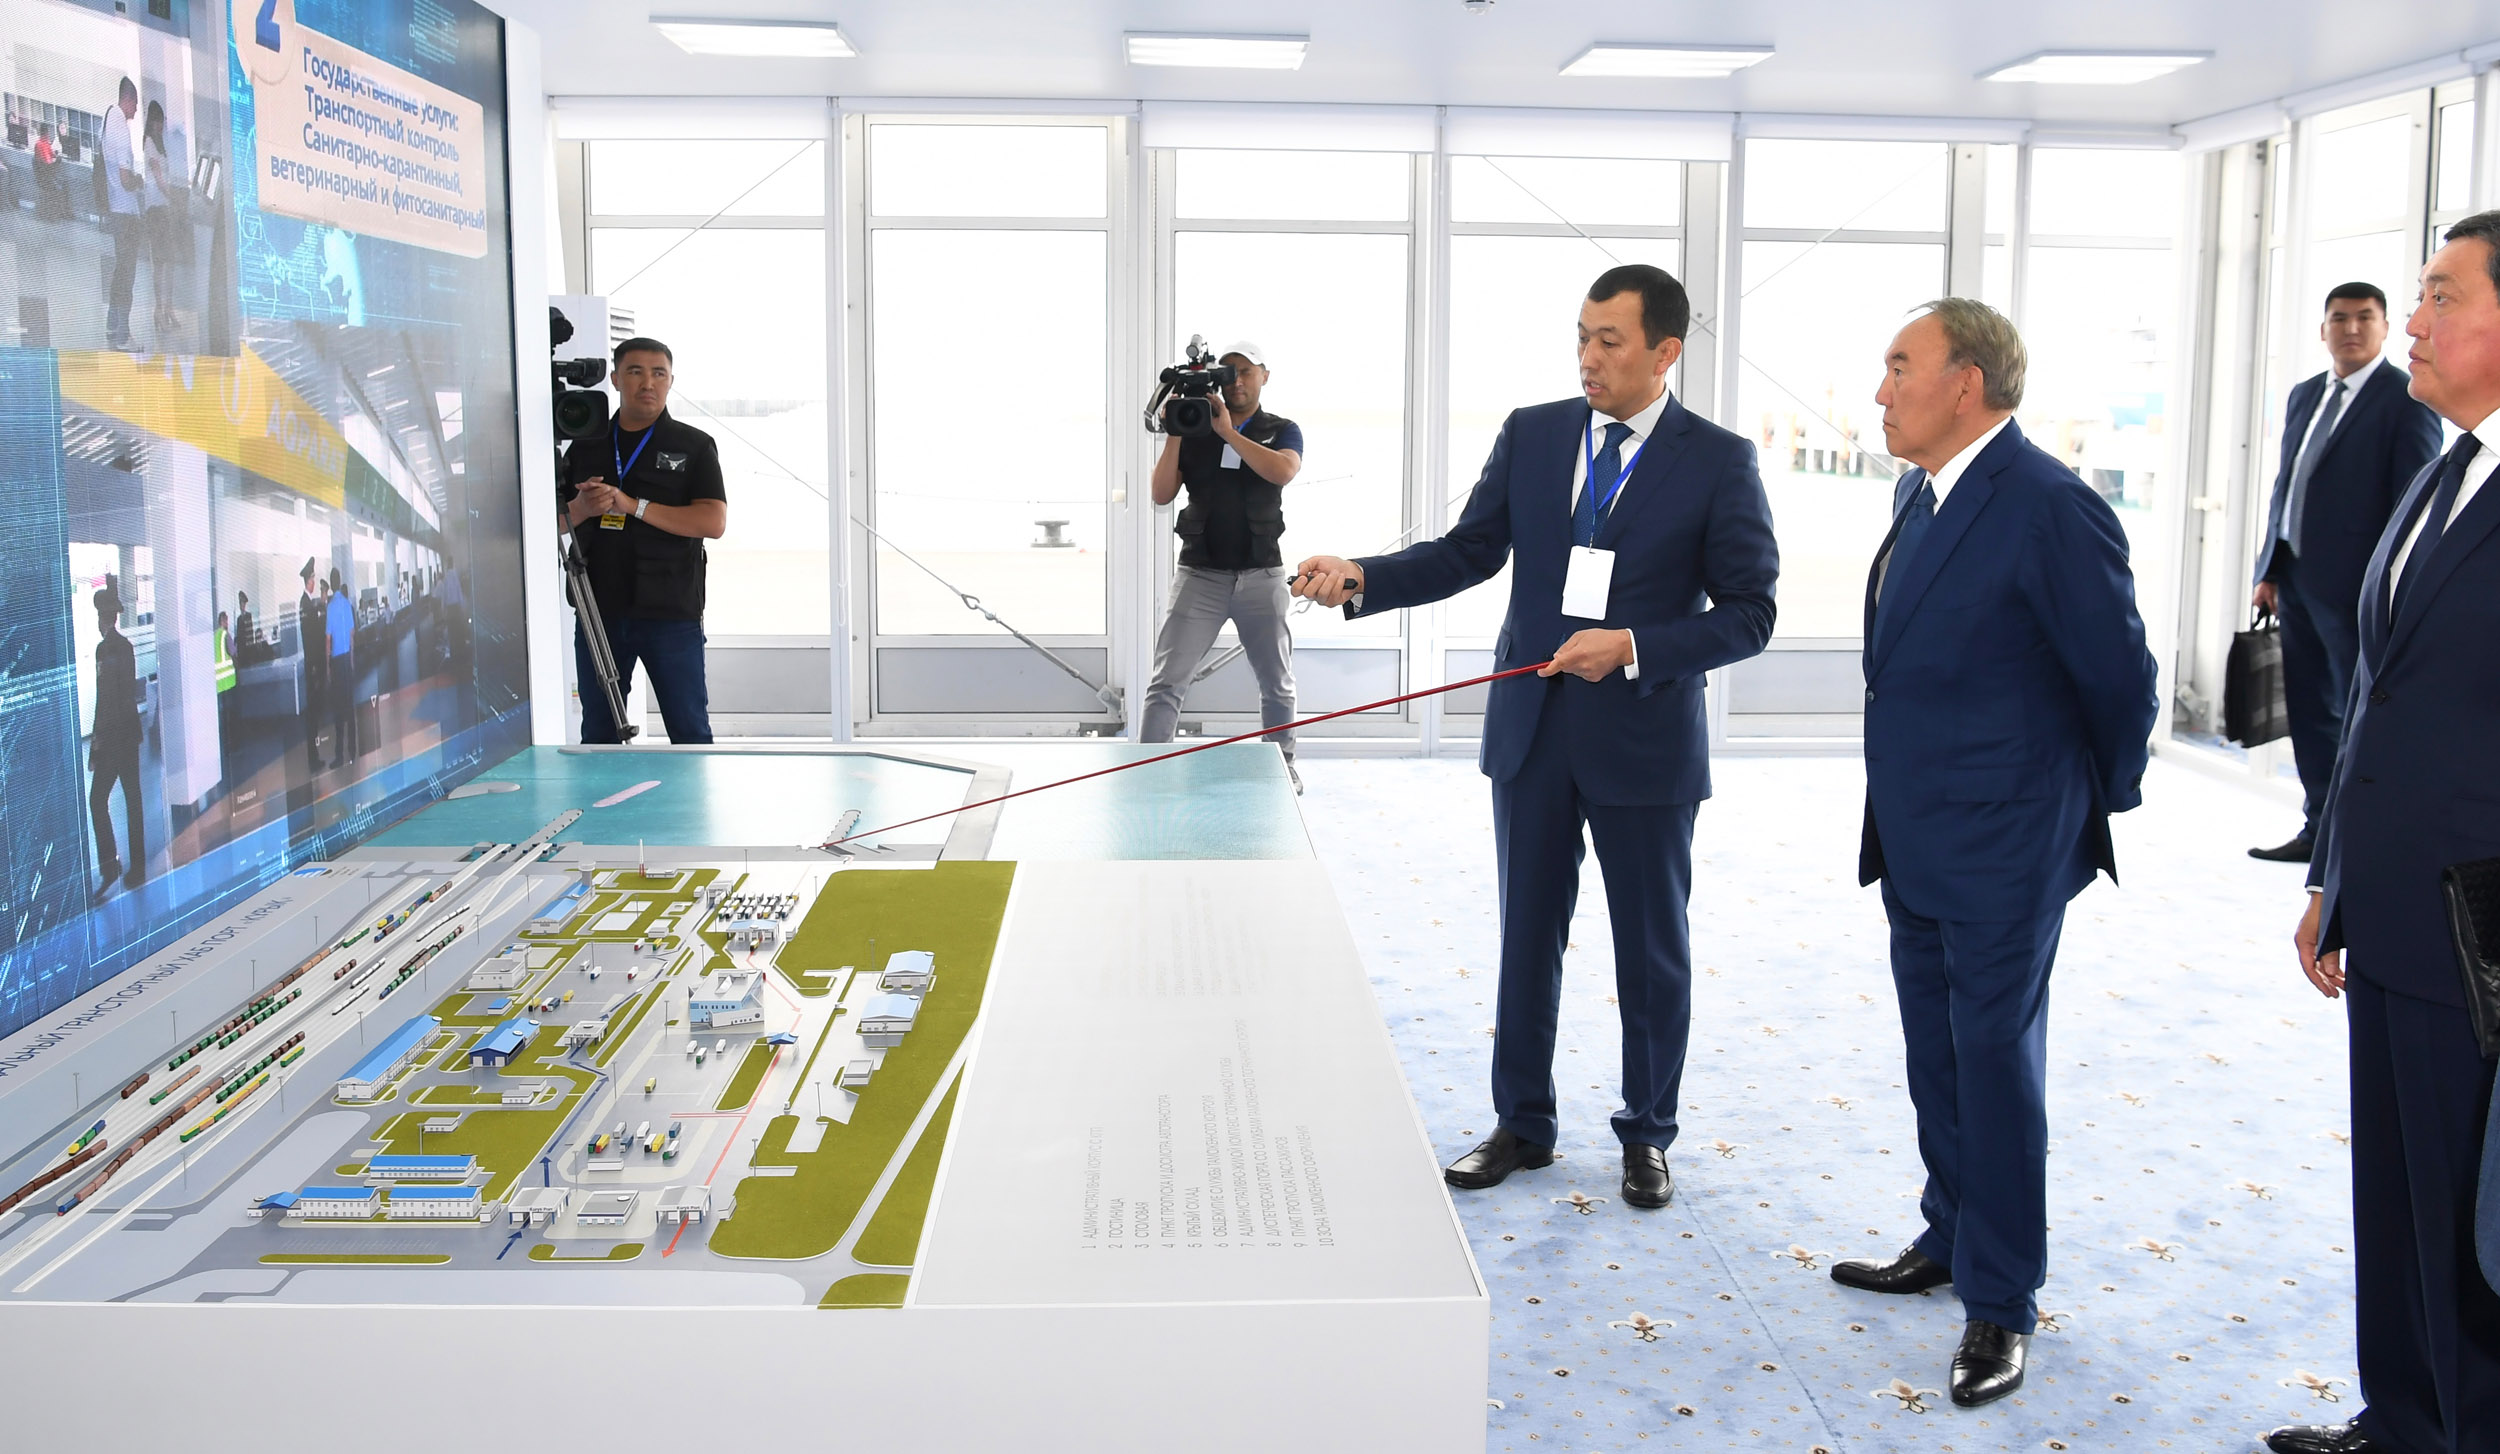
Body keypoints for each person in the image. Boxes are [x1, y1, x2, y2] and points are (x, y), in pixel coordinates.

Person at [1292, 264, 1778, 1214]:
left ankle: (1648, 1132)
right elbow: (1469, 551)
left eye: (1610, 342)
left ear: (1665, 353)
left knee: (1651, 950)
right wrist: (1364, 575)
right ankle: (1522, 1123)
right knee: (1526, 939)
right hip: (1534, 733)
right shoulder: (1536, 432)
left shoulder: (1720, 461)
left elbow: (1750, 614)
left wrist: (1632, 646)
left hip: (1645, 741)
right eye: (1582, 337)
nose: (1588, 357)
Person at [1830, 299, 2157, 1409]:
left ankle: (2002, 1298)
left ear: (1965, 384)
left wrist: (2080, 805)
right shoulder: (1918, 493)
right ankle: (1951, 1233)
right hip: (1915, 830)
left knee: (1995, 1068)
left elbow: (2120, 679)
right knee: (1937, 1054)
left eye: (1899, 368)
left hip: (2007, 844)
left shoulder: (2050, 505)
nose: (1880, 391)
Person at [2268, 213, 2500, 1454]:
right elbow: (2377, 696)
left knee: (2475, 1211)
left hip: (2483, 925)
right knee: (2399, 1185)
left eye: (2440, 296)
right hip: (2397, 905)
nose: (2410, 322)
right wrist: (2334, 876)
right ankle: (2403, 1416)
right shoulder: (2445, 467)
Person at [2248, 284, 2442, 863]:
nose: (2351, 328)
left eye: (2364, 318)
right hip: (2295, 581)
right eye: (2339, 318)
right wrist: (2269, 568)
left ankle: (2354, 842)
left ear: (2385, 327)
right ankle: (2318, 831)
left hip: (2358, 590)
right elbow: (2288, 485)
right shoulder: (2305, 394)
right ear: (2323, 329)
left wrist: (2388, 589)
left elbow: (2412, 504)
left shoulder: (2406, 398)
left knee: (2359, 717)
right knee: (2309, 712)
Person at [1139, 342, 1307, 790]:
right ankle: (1147, 772)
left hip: (1262, 575)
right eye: (1229, 372)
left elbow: (1283, 471)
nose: (1237, 381)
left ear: (1264, 376)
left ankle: (1283, 767)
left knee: (1277, 682)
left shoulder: (1282, 429)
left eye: (1246, 371)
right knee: (1166, 681)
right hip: (1199, 576)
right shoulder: (1194, 428)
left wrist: (1229, 433)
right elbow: (1160, 494)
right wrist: (1177, 428)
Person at [561, 336, 727, 745]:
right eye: (635, 372)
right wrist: (581, 508)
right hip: (600, 610)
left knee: (689, 731)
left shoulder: (693, 445)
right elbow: (545, 524)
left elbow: (713, 521)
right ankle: (602, 793)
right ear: (616, 379)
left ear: (671, 381)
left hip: (671, 612)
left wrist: (632, 505)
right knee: (598, 732)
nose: (647, 383)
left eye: (658, 373)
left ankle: (689, 794)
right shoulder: (585, 444)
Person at [87, 584, 145, 895]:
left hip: (112, 740)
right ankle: (137, 868)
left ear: (102, 618)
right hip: (128, 736)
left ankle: (111, 868)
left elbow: (105, 700)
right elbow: (125, 696)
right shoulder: (126, 648)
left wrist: (96, 747)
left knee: (98, 800)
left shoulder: (105, 649)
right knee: (133, 801)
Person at [99, 77, 142, 350]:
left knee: (119, 272)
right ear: (128, 99)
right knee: (127, 276)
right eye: (135, 105)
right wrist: (138, 181)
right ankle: (123, 336)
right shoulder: (121, 128)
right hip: (126, 213)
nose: (135, 111)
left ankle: (112, 324)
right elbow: (126, 179)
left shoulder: (107, 121)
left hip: (116, 210)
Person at [140, 99, 174, 343]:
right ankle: (159, 311)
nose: (161, 126)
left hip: (165, 208)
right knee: (160, 263)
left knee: (169, 262)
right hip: (156, 210)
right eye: (158, 121)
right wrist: (174, 197)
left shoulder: (160, 145)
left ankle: (168, 309)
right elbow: (159, 178)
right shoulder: (149, 144)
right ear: (152, 122)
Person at [294, 558, 326, 770]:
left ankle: (314, 756)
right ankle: (313, 759)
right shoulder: (305, 604)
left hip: (313, 662)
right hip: (313, 664)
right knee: (312, 714)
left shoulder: (308, 603)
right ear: (309, 580)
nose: (314, 582)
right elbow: (312, 636)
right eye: (313, 579)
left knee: (315, 713)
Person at [325, 567, 357, 769]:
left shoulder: (330, 607)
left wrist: (327, 667)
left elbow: (328, 640)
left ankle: (339, 756)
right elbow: (352, 635)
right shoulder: (347, 604)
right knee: (349, 707)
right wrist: (352, 660)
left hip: (337, 662)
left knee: (338, 710)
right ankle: (353, 752)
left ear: (331, 584)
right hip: (347, 660)